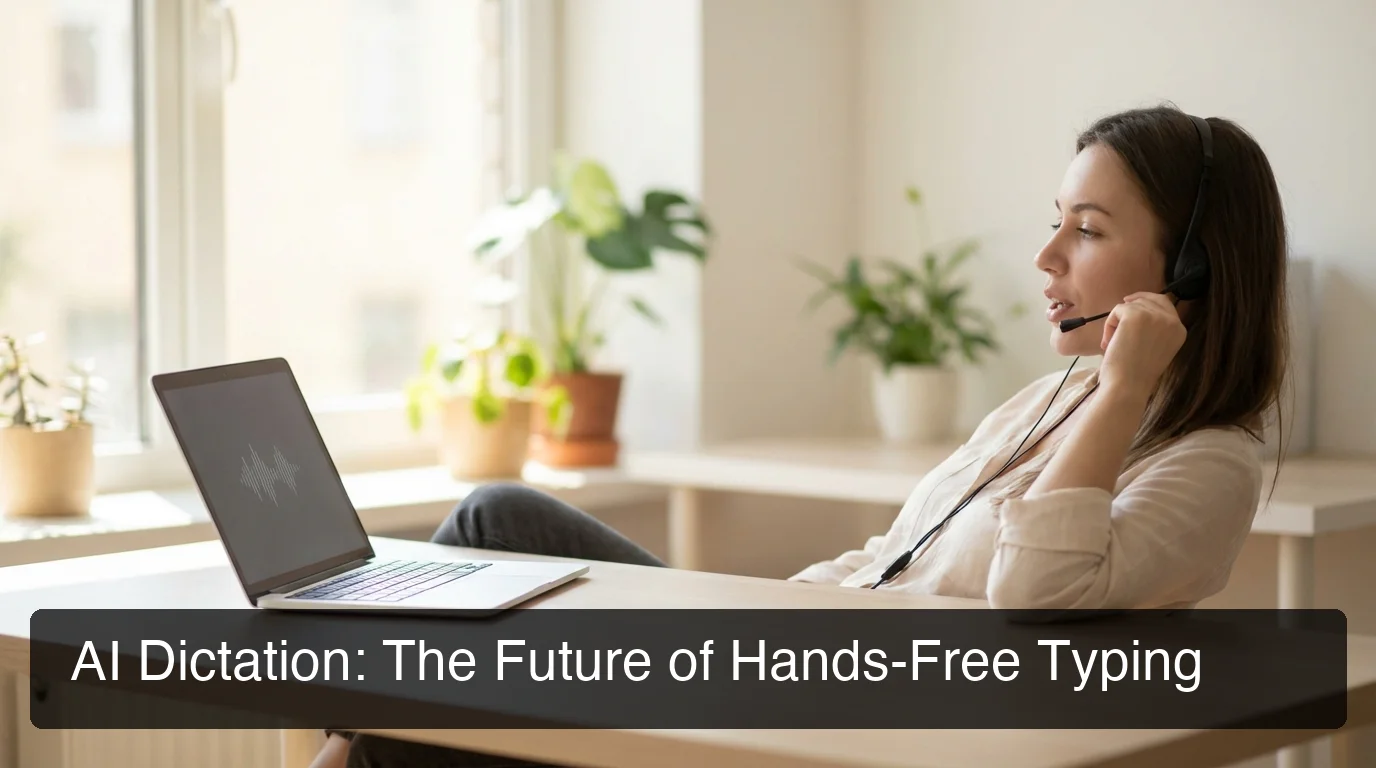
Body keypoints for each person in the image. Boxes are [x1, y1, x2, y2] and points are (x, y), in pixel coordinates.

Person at [316, 104, 1290, 768]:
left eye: (1083, 228)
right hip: (773, 652)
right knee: (497, 517)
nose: (1043, 257)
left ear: (1191, 269)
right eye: (1055, 222)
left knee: (426, 728)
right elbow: (888, 559)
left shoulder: (1207, 464)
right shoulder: (1049, 401)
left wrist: (1122, 390)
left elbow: (1034, 598)